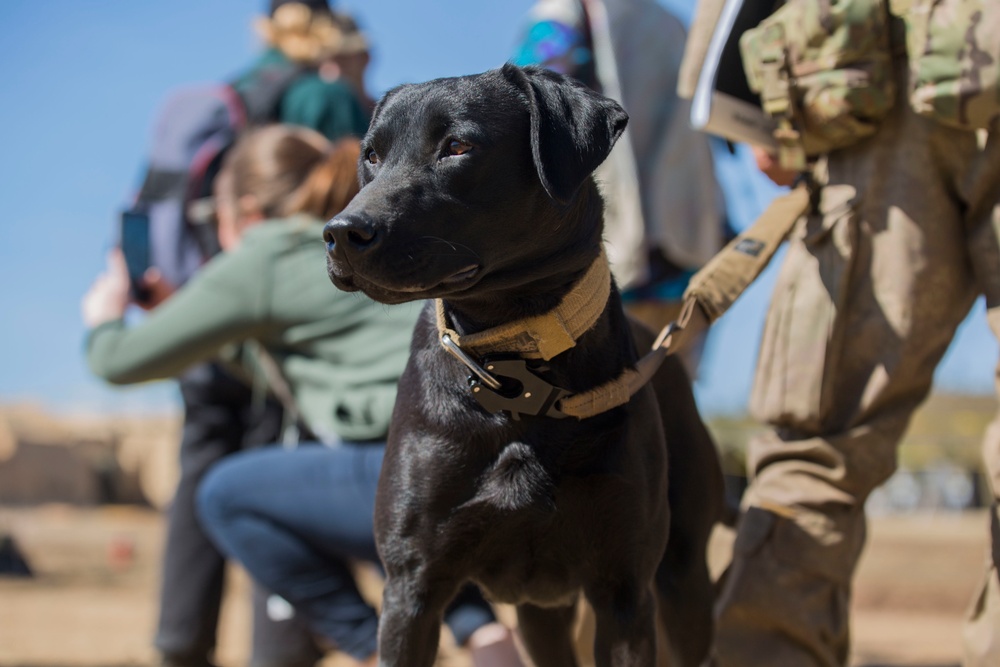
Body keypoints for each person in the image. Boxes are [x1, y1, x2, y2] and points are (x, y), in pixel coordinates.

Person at [83, 125, 524, 667]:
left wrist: (103, 318)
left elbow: (117, 362)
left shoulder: (265, 253)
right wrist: (184, 311)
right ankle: (488, 641)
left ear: (241, 211)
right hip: (489, 450)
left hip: (419, 462)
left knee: (227, 494)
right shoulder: (353, 244)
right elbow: (296, 352)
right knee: (384, 497)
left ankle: (370, 648)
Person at [674, 0, 1000, 664]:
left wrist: (750, 100)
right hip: (873, 82)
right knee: (813, 444)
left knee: (815, 444)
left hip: (874, 90)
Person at [111, 3, 376, 665]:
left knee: (201, 473)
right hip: (273, 336)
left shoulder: (226, 92)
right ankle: (279, 649)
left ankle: (181, 642)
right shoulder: (322, 95)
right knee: (281, 479)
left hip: (198, 317)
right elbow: (358, 202)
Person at [512, 0, 727, 374]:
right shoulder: (674, 26)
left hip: (609, 253)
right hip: (688, 246)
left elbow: (523, 107)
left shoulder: (563, 18)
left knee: (602, 402)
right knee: (670, 396)